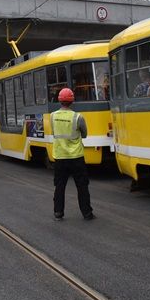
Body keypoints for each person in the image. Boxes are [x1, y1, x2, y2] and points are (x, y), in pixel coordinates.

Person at [51, 88, 94, 221]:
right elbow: (85, 134)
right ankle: (87, 213)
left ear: (59, 100)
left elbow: (54, 133)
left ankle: (58, 212)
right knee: (82, 186)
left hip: (60, 157)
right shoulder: (78, 117)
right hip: (76, 157)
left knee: (59, 186)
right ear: (72, 101)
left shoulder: (52, 116)